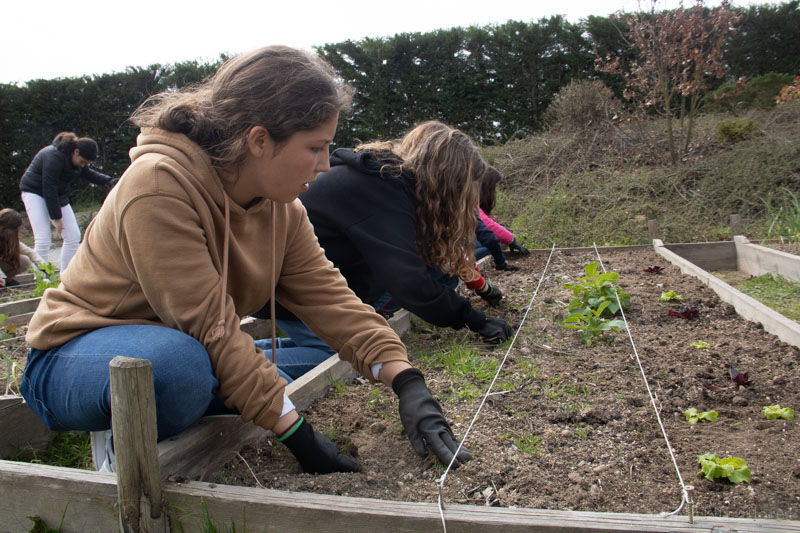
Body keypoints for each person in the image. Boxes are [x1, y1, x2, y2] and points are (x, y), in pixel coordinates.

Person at [20, 45, 470, 475]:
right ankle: (121, 447)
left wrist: (407, 381)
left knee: (306, 357)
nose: (325, 165)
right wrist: (296, 434)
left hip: (187, 345)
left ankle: (205, 391)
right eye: (315, 147)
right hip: (79, 353)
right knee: (181, 368)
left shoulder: (282, 208)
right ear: (258, 140)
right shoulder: (158, 186)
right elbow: (210, 326)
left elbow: (331, 298)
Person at [287, 120, 513, 344]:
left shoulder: (391, 184)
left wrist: (481, 292)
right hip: (293, 295)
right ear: (447, 181)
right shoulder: (382, 189)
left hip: (317, 288)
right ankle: (251, 363)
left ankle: (255, 356)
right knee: (354, 350)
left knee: (358, 344)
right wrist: (476, 320)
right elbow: (409, 283)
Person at [19, 132, 118, 272]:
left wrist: (109, 181)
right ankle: (41, 277)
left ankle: (66, 275)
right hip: (34, 192)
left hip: (57, 195)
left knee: (73, 236)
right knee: (43, 238)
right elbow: (49, 189)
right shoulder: (53, 157)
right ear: (76, 151)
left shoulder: (76, 161)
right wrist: (57, 218)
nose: (83, 165)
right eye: (83, 162)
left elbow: (88, 174)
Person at [479, 166, 530, 256]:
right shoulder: (467, 200)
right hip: (459, 246)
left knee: (501, 233)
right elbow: (483, 222)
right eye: (495, 187)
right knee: (495, 244)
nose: (496, 191)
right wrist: (511, 240)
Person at [0, 208, 46, 287]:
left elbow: (30, 253)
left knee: (24, 261)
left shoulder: (8, 240)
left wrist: (44, 266)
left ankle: (6, 281)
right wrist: (1, 276)